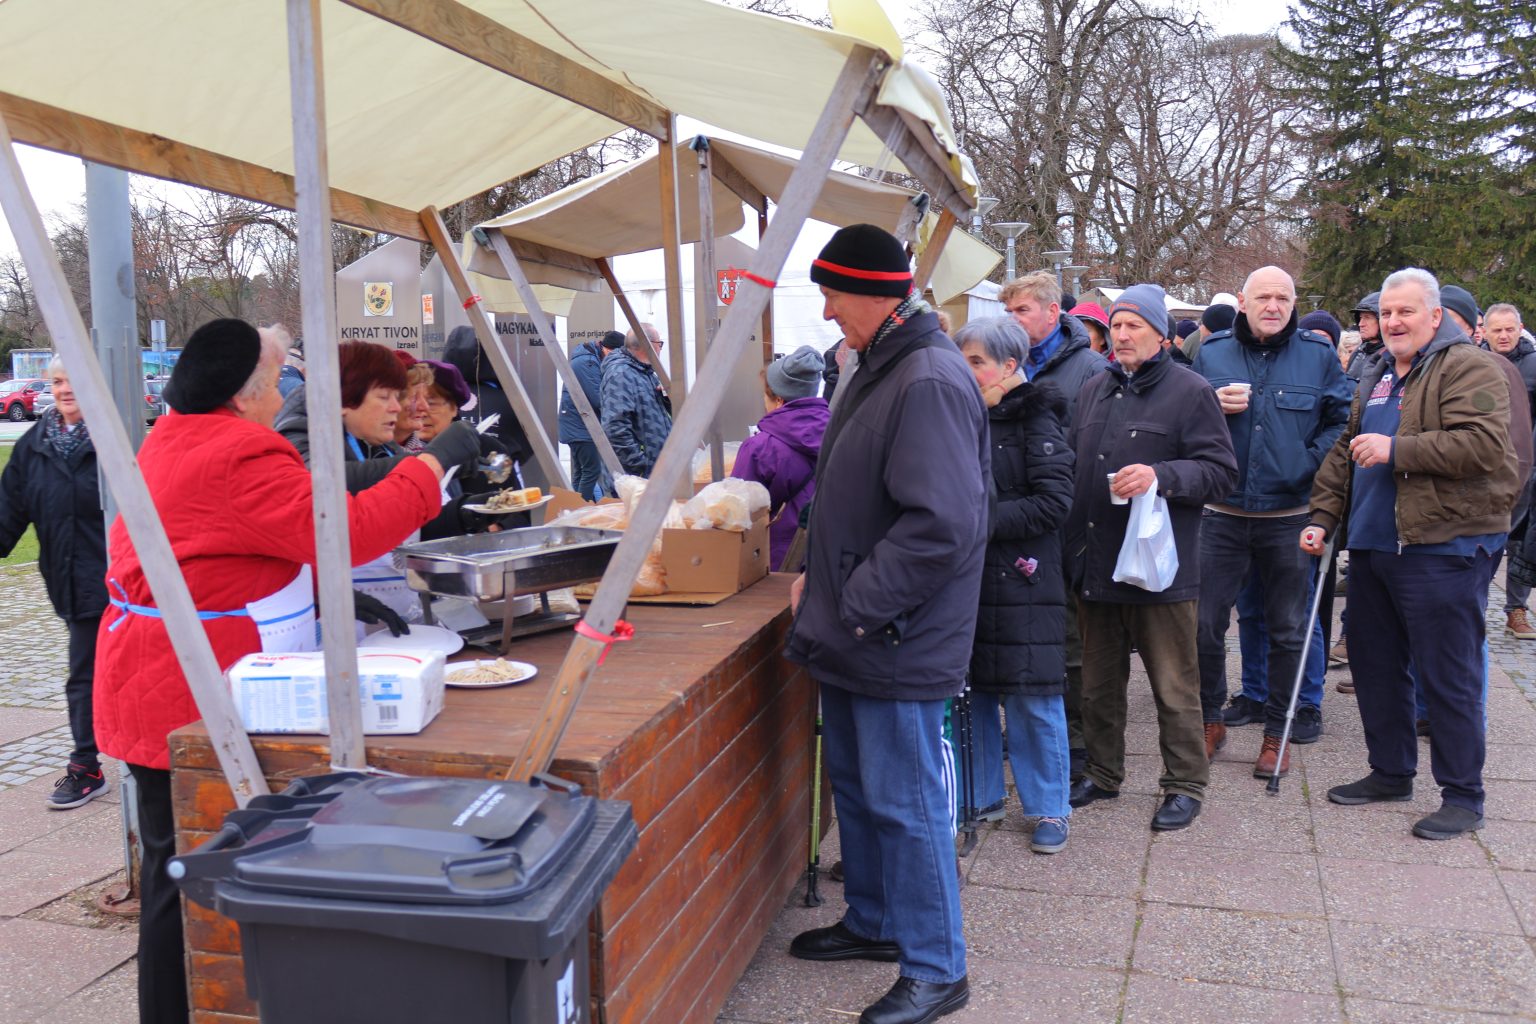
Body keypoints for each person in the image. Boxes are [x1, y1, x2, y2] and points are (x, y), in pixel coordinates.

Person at [92, 318, 451, 1024]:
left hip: (156, 674)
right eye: (279, 380)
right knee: (188, 873)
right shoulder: (238, 450)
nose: (285, 393)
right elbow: (345, 531)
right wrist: (431, 467)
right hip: (188, 687)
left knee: (177, 864)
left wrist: (315, 593)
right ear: (246, 393)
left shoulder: (176, 436)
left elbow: (223, 548)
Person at [785, 223, 985, 1024]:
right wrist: (816, 574)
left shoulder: (926, 377)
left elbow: (941, 525)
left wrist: (856, 603)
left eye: (833, 294)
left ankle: (937, 968)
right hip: (860, 626)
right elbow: (848, 492)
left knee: (906, 804)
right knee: (861, 788)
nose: (827, 311)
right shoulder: (879, 363)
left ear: (873, 293)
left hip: (894, 632)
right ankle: (873, 921)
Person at [1305, 268, 1520, 840]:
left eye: (1406, 311)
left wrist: (1397, 448)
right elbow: (1345, 452)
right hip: (1373, 545)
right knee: (1375, 668)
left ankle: (1463, 796)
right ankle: (1391, 772)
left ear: (1435, 316)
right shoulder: (1375, 370)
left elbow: (1483, 446)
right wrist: (1323, 517)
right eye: (1386, 312)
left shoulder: (1469, 365)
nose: (1394, 321)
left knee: (1447, 675)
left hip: (1443, 548)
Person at [1065, 283, 1238, 832]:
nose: (1121, 335)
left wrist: (1159, 476)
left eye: (1133, 325)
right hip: (1098, 563)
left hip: (1161, 571)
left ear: (1161, 334)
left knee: (1173, 685)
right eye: (1115, 325)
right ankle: (1102, 772)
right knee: (1098, 685)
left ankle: (1184, 784)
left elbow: (1221, 473)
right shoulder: (1094, 389)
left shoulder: (1190, 391)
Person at [1190, 267, 1353, 774]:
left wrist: (1306, 462)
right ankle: (1210, 719)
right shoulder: (1212, 352)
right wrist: (1209, 405)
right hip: (1222, 513)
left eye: (1283, 297)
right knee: (1203, 625)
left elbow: (1342, 421)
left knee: (1288, 629)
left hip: (1288, 516)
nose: (1274, 306)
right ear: (1243, 301)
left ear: (1294, 303)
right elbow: (1182, 416)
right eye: (1264, 296)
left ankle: (1276, 733)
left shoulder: (1317, 355)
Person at [954, 316, 1075, 854]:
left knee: (1032, 696)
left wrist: (977, 521)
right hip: (969, 576)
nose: (966, 370)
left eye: (976, 361)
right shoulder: (961, 416)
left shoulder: (1035, 416)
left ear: (1009, 365)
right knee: (974, 691)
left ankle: (1050, 808)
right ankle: (980, 799)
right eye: (962, 360)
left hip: (1026, 579)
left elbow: (1054, 503)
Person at [1001, 271, 1107, 781]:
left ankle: (1078, 744)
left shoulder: (1090, 368)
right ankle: (1033, 732)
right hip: (1018, 525)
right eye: (1008, 312)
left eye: (1022, 310)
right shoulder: (1008, 362)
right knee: (1027, 633)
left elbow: (1095, 447)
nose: (1013, 320)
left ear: (1051, 312)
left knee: (1070, 642)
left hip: (1069, 524)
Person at [0, 356, 109, 809]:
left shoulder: (116, 440)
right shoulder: (36, 444)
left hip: (123, 584)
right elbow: (9, 509)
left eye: (74, 380)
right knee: (88, 674)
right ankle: (92, 765)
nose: (65, 389)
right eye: (58, 381)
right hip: (70, 583)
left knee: (93, 674)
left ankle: (89, 764)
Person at [730, 344, 828, 571]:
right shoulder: (843, 433)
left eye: (765, 396)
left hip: (774, 562)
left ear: (779, 400)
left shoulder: (760, 448)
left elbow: (736, 514)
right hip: (827, 560)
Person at [1484, 303, 1536, 639]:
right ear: (1485, 332)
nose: (1504, 336)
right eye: (1497, 330)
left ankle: (1516, 609)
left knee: (1518, 540)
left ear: (1520, 329)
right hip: (1482, 465)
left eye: (1510, 329)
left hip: (1524, 467)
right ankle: (1473, 602)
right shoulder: (1473, 361)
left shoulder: (1533, 364)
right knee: (1481, 536)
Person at [442, 323, 536, 472]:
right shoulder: (511, 400)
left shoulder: (439, 399)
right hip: (500, 477)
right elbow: (527, 445)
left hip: (450, 478)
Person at [600, 324, 673, 477]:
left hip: (652, 473)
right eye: (660, 344)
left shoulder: (645, 372)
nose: (660, 349)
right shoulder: (621, 374)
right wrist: (640, 466)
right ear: (650, 345)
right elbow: (615, 428)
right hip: (635, 479)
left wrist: (667, 399)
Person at [560, 330, 620, 500]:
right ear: (608, 349)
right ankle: (581, 508)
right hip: (580, 426)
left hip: (577, 425)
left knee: (582, 472)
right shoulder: (587, 363)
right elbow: (597, 398)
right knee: (591, 471)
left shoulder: (589, 359)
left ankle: (575, 507)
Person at [1344, 291, 1383, 379]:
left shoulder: (1391, 356)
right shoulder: (1358, 353)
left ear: (1381, 320)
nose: (1361, 324)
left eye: (1367, 317)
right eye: (1361, 318)